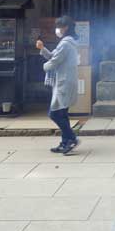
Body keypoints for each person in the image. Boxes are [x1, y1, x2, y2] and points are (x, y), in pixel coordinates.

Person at [36, 16, 80, 154]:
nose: (57, 29)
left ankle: (72, 138)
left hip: (64, 83)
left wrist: (44, 67)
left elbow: (54, 62)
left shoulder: (66, 43)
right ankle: (65, 142)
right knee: (62, 113)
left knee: (54, 114)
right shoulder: (66, 42)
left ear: (65, 27)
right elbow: (53, 56)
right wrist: (42, 48)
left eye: (59, 26)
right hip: (64, 82)